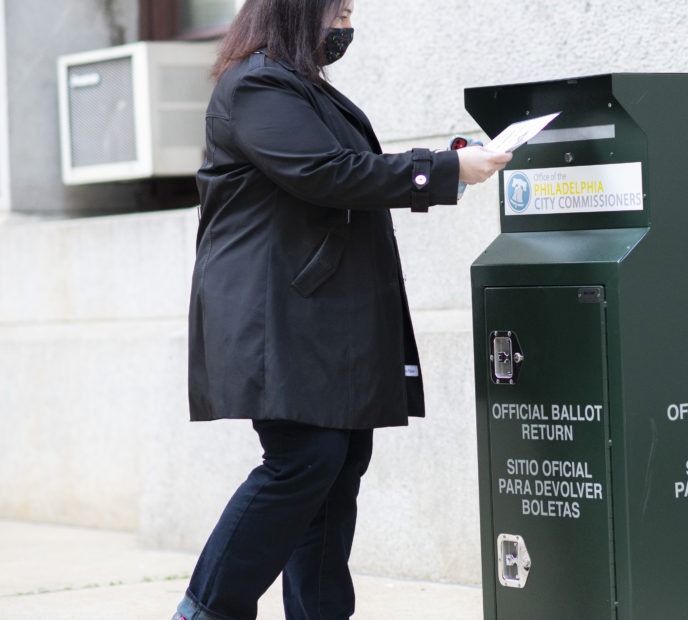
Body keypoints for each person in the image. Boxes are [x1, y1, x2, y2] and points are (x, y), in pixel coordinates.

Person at [173, 0, 511, 618]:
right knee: (305, 460)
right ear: (298, 12)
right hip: (276, 317)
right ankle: (207, 610)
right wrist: (444, 169)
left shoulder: (297, 88)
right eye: (340, 12)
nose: (347, 26)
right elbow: (325, 172)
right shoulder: (258, 85)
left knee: (338, 463)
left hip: (316, 316)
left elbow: (347, 171)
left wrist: (447, 165)